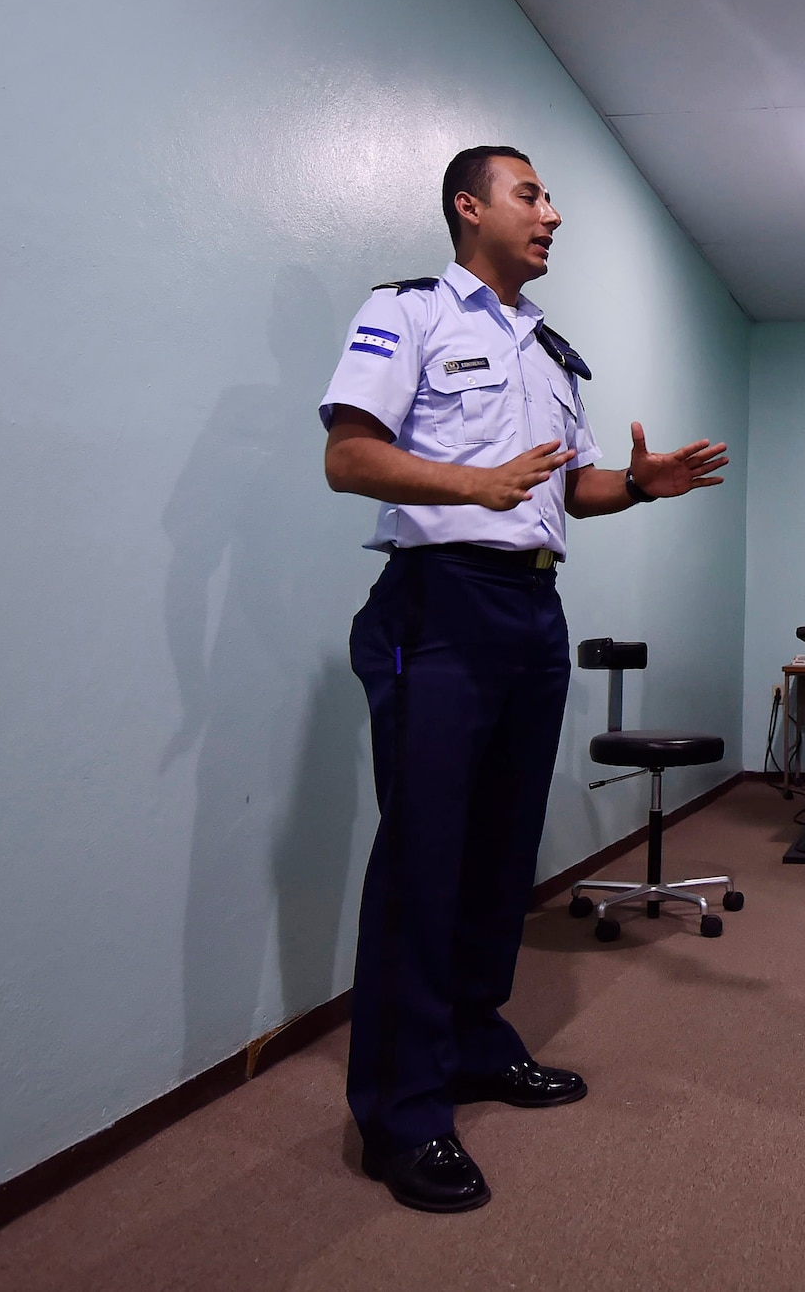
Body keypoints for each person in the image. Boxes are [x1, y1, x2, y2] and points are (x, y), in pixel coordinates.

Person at [319, 145, 728, 1212]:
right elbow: (350, 457)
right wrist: (471, 482)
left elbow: (565, 488)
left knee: (499, 848)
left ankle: (472, 1040)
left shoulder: (550, 352)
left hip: (529, 608)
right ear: (469, 207)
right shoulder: (408, 314)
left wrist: (637, 486)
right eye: (530, 196)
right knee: (424, 856)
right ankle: (402, 1114)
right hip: (436, 604)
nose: (551, 214)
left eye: (548, 198)